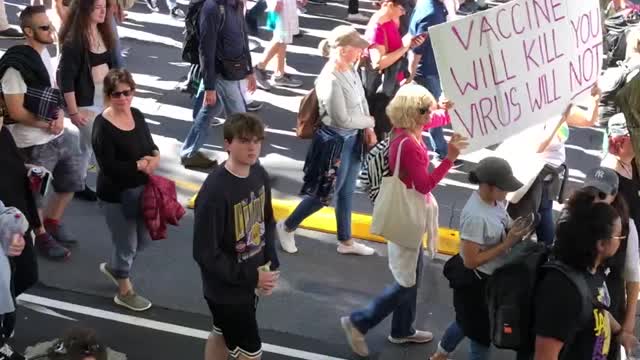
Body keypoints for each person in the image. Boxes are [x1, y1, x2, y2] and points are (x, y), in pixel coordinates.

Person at [340, 83, 467, 357]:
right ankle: (359, 322)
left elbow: (431, 119)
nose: (429, 114)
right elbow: (424, 185)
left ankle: (401, 330)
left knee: (412, 274)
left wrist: (443, 111)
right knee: (405, 282)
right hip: (406, 218)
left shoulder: (404, 130)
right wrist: (449, 159)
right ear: (412, 112)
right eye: (426, 109)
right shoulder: (408, 145)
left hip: (407, 215)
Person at [276, 26, 376, 256]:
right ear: (342, 50)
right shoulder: (330, 78)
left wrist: (368, 127)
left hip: (352, 139)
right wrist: (369, 121)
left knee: (347, 191)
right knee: (324, 195)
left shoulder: (350, 69)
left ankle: (346, 241)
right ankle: (287, 226)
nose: (362, 52)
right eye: (357, 48)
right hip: (334, 144)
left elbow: (361, 101)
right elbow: (342, 118)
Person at [193, 113, 279, 360]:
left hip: (249, 281)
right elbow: (204, 253)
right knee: (250, 354)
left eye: (256, 141)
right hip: (226, 292)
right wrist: (253, 277)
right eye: (244, 141)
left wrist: (270, 261)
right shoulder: (215, 192)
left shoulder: (258, 173)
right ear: (228, 144)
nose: (252, 147)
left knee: (220, 333)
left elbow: (267, 220)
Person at [0, 5, 82, 260]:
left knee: (73, 179)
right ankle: (41, 234)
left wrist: (57, 114)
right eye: (44, 27)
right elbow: (15, 110)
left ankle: (53, 221)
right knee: (34, 195)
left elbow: (50, 93)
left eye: (50, 25)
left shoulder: (44, 55)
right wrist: (46, 123)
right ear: (28, 31)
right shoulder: (15, 66)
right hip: (31, 142)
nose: (51, 31)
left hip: (57, 134)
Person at [430, 157, 530, 360]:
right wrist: (507, 243)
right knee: (481, 337)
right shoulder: (476, 216)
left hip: (489, 278)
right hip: (476, 283)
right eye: (504, 189)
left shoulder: (495, 202)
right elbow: (470, 261)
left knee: (465, 322)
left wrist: (515, 228)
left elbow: (503, 223)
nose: (507, 193)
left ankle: (440, 355)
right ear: (489, 186)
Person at [533, 192, 638, 359]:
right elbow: (545, 356)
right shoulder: (562, 290)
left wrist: (621, 333)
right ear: (601, 244)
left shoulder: (594, 270)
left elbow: (597, 309)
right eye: (619, 236)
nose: (622, 240)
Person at [92, 69, 158, 312]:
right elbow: (109, 168)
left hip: (141, 191)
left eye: (126, 93)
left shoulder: (137, 115)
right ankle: (124, 291)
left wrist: (156, 157)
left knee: (143, 240)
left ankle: (116, 268)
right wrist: (139, 165)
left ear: (133, 91)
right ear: (108, 96)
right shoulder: (102, 126)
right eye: (116, 94)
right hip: (116, 196)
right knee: (127, 244)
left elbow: (150, 145)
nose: (122, 98)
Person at [507, 86, 601, 246]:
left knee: (541, 215)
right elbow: (539, 146)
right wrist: (560, 119)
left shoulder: (558, 106)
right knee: (529, 217)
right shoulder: (531, 110)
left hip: (550, 177)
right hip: (533, 175)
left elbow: (588, 119)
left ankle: (541, 254)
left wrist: (595, 98)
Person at [180, 0, 256, 169]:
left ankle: (189, 153)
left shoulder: (236, 4)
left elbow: (243, 37)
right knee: (241, 120)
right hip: (222, 74)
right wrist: (209, 86)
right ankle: (248, 165)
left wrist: (250, 70)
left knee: (208, 112)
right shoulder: (211, 8)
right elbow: (206, 50)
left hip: (233, 71)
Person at [58, 0, 116, 202]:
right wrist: (73, 112)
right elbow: (66, 80)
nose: (104, 10)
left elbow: (112, 65)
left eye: (104, 6)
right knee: (98, 146)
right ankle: (92, 184)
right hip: (86, 103)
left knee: (87, 147)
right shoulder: (75, 41)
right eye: (98, 7)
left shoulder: (104, 32)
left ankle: (77, 182)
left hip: (104, 100)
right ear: (85, 9)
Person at [579, 167, 640, 360]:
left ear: (614, 196)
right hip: (576, 311)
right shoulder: (571, 220)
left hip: (609, 310)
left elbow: (633, 277)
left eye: (602, 195)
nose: (596, 200)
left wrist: (628, 325)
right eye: (590, 194)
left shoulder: (627, 227)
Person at [363, 0, 426, 140]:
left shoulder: (390, 21)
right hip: (381, 94)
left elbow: (394, 47)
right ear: (390, 4)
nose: (404, 13)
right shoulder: (377, 27)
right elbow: (378, 63)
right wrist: (405, 48)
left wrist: (410, 44)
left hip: (390, 85)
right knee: (381, 128)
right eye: (402, 9)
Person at [408, 0, 456, 165]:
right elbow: (418, 48)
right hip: (428, 72)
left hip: (428, 69)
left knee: (427, 112)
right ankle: (440, 153)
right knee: (430, 112)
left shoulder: (427, 5)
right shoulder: (432, 13)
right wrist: (411, 74)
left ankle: (437, 151)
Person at [253, 0, 303, 90]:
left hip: (285, 4)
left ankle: (279, 74)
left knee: (283, 39)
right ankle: (259, 67)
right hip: (279, 3)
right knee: (280, 38)